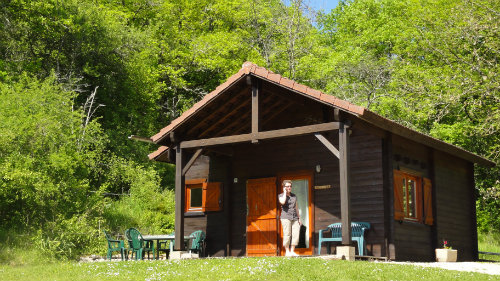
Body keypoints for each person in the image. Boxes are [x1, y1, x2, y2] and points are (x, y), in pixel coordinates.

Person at [278, 180, 301, 257]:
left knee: (296, 234)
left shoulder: (294, 196)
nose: (289, 187)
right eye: (287, 186)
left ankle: (292, 251)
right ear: (284, 187)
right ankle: (287, 251)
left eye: (290, 186)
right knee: (287, 234)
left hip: (294, 217)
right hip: (286, 217)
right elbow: (282, 202)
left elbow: (296, 207)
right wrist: (285, 192)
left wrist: (299, 218)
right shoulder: (281, 195)